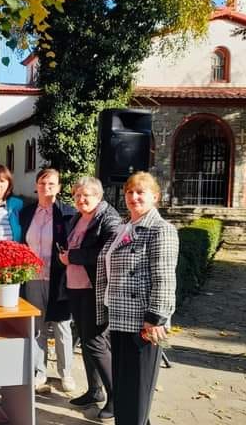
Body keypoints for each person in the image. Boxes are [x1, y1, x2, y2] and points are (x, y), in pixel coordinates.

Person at [95, 171, 178, 425]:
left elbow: (164, 278)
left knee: (137, 391)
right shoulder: (124, 227)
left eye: (140, 192)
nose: (134, 197)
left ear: (155, 196)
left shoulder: (161, 230)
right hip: (120, 317)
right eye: (129, 192)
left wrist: (155, 318)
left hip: (143, 323)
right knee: (125, 390)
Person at [59, 177, 121, 420]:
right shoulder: (78, 218)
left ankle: (117, 397)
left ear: (98, 196)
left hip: (95, 289)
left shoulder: (109, 218)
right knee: (86, 342)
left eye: (86, 195)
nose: (80, 199)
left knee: (96, 342)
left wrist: (72, 257)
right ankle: (95, 391)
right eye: (76, 195)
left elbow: (108, 251)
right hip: (76, 287)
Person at [19, 168, 76, 393]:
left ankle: (66, 373)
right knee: (37, 326)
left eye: (51, 184)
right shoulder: (26, 213)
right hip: (33, 277)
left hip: (59, 278)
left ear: (59, 188)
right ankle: (39, 371)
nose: (46, 187)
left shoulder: (68, 213)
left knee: (62, 326)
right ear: (36, 186)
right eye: (42, 183)